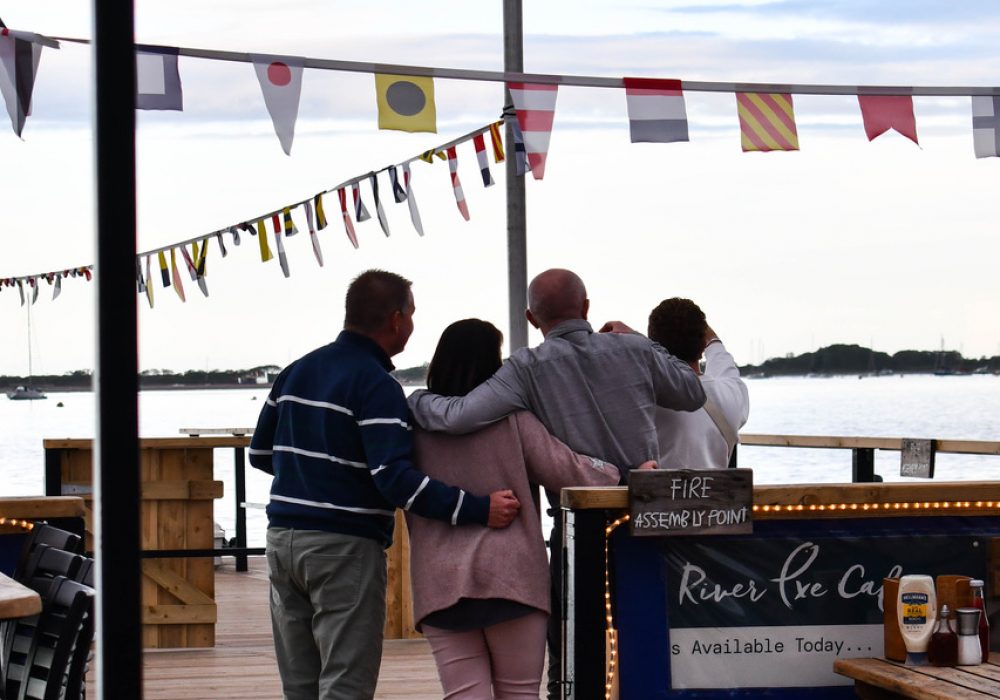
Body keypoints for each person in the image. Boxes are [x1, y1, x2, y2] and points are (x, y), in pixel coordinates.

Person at [408, 268, 706, 699]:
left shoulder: (525, 370)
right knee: (649, 633)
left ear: (531, 319)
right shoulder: (635, 348)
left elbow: (461, 416)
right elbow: (693, 394)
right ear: (586, 307)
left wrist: (414, 400)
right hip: (648, 513)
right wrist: (642, 341)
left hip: (577, 526)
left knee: (577, 646)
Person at [248, 270, 520, 700]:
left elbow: (260, 455)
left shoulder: (296, 371)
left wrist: (312, 476)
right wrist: (477, 507)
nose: (412, 325)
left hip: (282, 540)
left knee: (299, 683)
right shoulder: (377, 385)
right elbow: (395, 480)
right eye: (411, 315)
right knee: (346, 682)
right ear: (395, 320)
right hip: (343, 547)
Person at [408, 318, 626, 699]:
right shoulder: (513, 421)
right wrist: (622, 472)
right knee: (521, 693)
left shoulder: (412, 427)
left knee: (463, 695)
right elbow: (569, 473)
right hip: (513, 579)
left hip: (440, 582)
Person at [647, 297, 750, 469]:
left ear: (655, 348)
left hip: (659, 495)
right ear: (702, 344)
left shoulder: (645, 398)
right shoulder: (732, 392)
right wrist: (701, 330)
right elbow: (720, 355)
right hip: (716, 495)